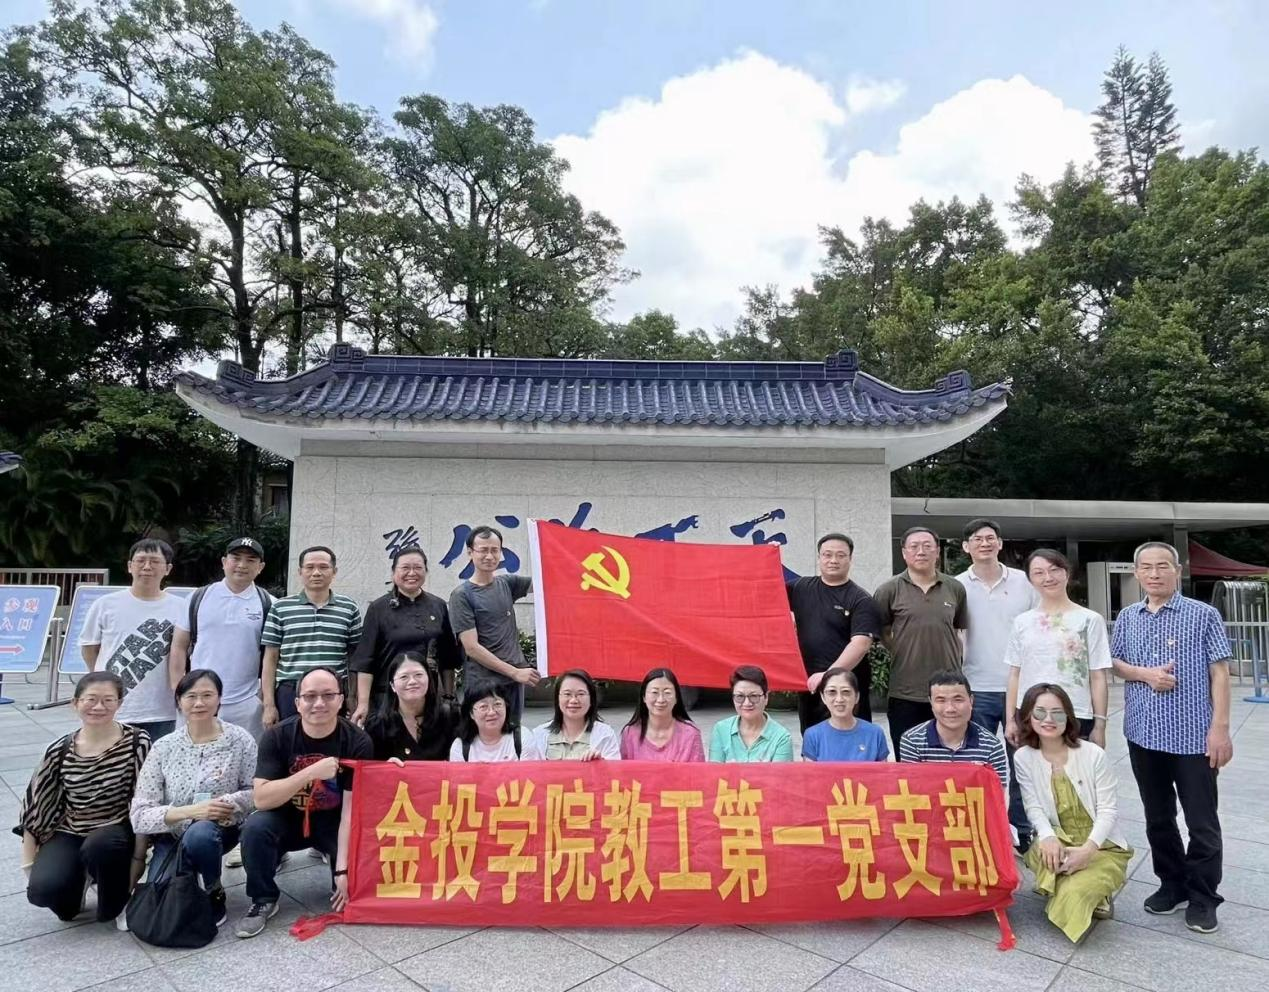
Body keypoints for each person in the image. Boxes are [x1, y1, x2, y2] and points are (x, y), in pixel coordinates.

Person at [1112, 541, 1233, 935]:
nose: (1154, 573)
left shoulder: (1203, 614)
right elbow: (1116, 664)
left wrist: (1220, 729)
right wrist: (1145, 674)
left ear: (1177, 571)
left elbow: (1220, 673)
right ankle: (1172, 883)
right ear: (1136, 573)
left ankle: (1203, 896)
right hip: (1143, 734)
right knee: (1158, 817)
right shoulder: (1128, 616)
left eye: (1162, 566)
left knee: (1202, 822)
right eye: (1146, 567)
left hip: (1193, 738)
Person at [236, 667, 372, 938]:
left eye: (328, 695)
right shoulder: (277, 736)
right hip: (286, 818)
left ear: (341, 700)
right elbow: (261, 799)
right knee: (255, 827)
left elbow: (351, 812)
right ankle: (263, 898)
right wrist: (310, 773)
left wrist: (343, 870)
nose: (319, 703)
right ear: (297, 702)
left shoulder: (358, 742)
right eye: (310, 696)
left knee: (350, 891)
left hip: (334, 821)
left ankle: (333, 864)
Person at [17, 672, 150, 926]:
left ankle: (117, 900)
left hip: (116, 830)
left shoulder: (137, 741)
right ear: (75, 703)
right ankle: (80, 880)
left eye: (108, 700)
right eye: (91, 699)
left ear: (119, 703)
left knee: (100, 847)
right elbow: (36, 806)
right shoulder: (59, 749)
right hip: (71, 829)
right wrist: (29, 865)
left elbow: (145, 798)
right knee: (44, 892)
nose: (99, 707)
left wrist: (139, 859)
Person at [130, 670, 257, 927]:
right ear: (179, 701)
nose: (199, 703)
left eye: (207, 695)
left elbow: (255, 790)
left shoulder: (240, 740)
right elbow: (140, 814)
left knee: (200, 835)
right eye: (191, 696)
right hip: (172, 833)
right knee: (163, 897)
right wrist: (191, 811)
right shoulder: (164, 746)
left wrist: (227, 804)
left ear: (219, 699)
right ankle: (188, 875)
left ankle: (213, 889)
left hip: (220, 830)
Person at [1014, 684, 1131, 943]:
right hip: (1059, 838)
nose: (1048, 720)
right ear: (1028, 716)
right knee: (1044, 855)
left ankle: (1082, 888)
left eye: (1057, 713)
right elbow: (1032, 806)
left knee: (1073, 893)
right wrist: (1048, 837)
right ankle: (1082, 885)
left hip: (1100, 845)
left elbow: (1108, 810)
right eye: (1040, 712)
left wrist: (1088, 850)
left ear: (1068, 716)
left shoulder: (1093, 754)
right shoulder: (1023, 757)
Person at [955, 518, 1039, 850]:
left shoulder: (1024, 582)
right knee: (977, 763)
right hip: (976, 686)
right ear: (966, 547)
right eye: (977, 539)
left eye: (990, 538)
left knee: (1022, 762)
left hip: (1022, 688)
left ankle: (1022, 829)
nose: (985, 543)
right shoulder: (957, 586)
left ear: (1000, 544)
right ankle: (980, 827)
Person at [81, 538, 188, 741]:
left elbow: (183, 651)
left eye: (155, 561)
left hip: (161, 710)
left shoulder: (180, 607)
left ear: (168, 569)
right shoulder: (105, 605)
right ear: (130, 566)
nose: (147, 567)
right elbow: (89, 648)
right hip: (113, 708)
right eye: (141, 561)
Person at [874, 527, 969, 755]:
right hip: (905, 690)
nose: (921, 551)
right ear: (904, 552)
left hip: (948, 689)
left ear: (937, 551)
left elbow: (959, 630)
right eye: (914, 546)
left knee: (950, 755)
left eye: (927, 546)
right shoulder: (888, 590)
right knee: (907, 757)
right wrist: (902, 649)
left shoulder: (955, 588)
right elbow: (882, 631)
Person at [169, 537, 273, 738]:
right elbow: (179, 646)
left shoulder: (268, 603)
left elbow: (272, 656)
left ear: (260, 567)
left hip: (246, 702)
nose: (242, 565)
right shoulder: (198, 597)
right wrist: (178, 689)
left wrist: (265, 700)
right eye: (236, 558)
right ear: (224, 562)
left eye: (250, 560)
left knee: (246, 755)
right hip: (198, 699)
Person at [1005, 549, 1111, 746]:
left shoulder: (1090, 620)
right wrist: (1011, 719)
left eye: (1054, 570)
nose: (1048, 577)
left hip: (1075, 713)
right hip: (1029, 714)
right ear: (1030, 580)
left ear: (1067, 573)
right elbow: (1014, 674)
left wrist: (1100, 725)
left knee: (1076, 766)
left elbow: (1097, 675)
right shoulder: (1022, 622)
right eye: (1039, 572)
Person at [350, 546, 461, 726]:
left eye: (418, 568)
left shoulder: (438, 605)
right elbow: (365, 661)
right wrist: (363, 704)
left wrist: (448, 697)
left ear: (426, 571)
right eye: (405, 568)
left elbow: (448, 659)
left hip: (428, 697)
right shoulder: (378, 608)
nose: (412, 573)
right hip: (386, 697)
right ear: (394, 573)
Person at [786, 533, 883, 732]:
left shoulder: (860, 599)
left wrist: (828, 675)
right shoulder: (800, 588)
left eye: (840, 555)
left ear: (850, 559)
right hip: (810, 683)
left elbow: (861, 644)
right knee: (812, 737)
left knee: (851, 737)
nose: (833, 560)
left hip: (845, 686)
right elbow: (767, 590)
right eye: (827, 554)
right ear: (819, 557)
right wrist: (766, 556)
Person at [260, 546, 363, 729]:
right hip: (291, 690)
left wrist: (353, 696)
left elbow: (355, 658)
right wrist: (269, 705)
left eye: (323, 567)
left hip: (333, 690)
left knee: (332, 741)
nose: (316, 573)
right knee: (291, 742)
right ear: (300, 572)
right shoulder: (281, 608)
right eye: (309, 567)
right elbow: (270, 659)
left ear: (334, 571)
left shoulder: (349, 608)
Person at [448, 525, 539, 717]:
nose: (489, 556)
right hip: (484, 683)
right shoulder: (462, 595)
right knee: (485, 733)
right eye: (483, 550)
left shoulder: (507, 583)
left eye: (494, 550)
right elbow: (472, 648)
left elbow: (545, 583)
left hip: (514, 681)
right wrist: (514, 672)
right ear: (470, 553)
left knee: (513, 732)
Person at [897, 671, 1008, 793]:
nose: (950, 708)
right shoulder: (912, 741)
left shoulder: (991, 746)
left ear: (971, 701)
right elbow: (912, 791)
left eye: (958, 700)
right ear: (931, 703)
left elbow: (997, 796)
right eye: (941, 700)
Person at [364, 652, 458, 761]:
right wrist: (385, 766)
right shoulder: (379, 725)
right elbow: (370, 766)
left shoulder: (449, 717)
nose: (412, 681)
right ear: (392, 685)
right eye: (404, 677)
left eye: (418, 675)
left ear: (429, 679)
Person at [800, 669, 889, 762]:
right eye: (832, 692)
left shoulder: (875, 734)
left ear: (857, 696)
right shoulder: (812, 735)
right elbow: (809, 771)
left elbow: (883, 770)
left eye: (846, 692)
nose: (839, 699)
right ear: (823, 697)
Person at [708, 665, 794, 762]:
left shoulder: (781, 737)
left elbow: (780, 772)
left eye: (754, 696)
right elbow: (714, 770)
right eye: (740, 696)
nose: (747, 703)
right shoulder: (721, 730)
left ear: (766, 697)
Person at [530, 669, 621, 760]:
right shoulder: (539, 734)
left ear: (591, 699)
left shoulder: (605, 735)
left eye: (581, 694)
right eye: (567, 694)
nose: (573, 700)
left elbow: (614, 768)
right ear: (558, 698)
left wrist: (601, 762)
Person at [620, 668, 705, 762]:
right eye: (654, 692)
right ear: (644, 697)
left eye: (667, 693)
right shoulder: (630, 733)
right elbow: (622, 770)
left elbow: (698, 770)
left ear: (676, 698)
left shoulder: (690, 734)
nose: (661, 699)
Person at [448, 686, 544, 762]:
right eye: (483, 707)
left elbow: (532, 777)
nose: (491, 712)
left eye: (497, 704)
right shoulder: (460, 747)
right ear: (471, 713)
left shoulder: (522, 738)